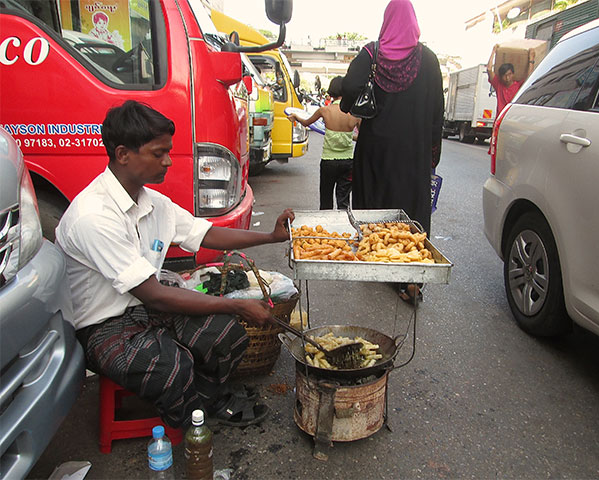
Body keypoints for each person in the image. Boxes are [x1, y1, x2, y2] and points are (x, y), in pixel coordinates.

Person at [55, 100, 294, 429]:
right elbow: (155, 295)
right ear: (123, 154)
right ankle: (190, 419)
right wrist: (237, 305)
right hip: (103, 326)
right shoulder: (94, 216)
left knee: (226, 334)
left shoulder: (151, 202)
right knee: (172, 363)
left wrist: (270, 237)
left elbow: (207, 234)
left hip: (143, 307)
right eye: (158, 153)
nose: (168, 161)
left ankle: (204, 401)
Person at [340, 0, 444, 304]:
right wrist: (432, 155)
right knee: (411, 209)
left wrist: (355, 107)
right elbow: (438, 112)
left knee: (374, 204)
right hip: (413, 153)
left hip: (375, 150)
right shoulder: (429, 60)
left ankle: (376, 260)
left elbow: (348, 89)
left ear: (387, 21)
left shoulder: (371, 53)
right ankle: (409, 278)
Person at [287, 76, 360, 210]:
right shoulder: (354, 113)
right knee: (343, 201)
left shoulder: (325, 111)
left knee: (326, 201)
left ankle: (326, 228)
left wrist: (296, 116)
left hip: (328, 162)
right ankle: (343, 228)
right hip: (348, 162)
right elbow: (361, 138)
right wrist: (348, 136)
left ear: (332, 90)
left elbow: (306, 122)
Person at [487, 44, 535, 116]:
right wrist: (493, 51)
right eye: (505, 76)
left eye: (509, 74)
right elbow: (489, 69)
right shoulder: (498, 85)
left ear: (513, 74)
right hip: (501, 119)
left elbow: (530, 77)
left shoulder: (519, 86)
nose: (507, 78)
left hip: (513, 118)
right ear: (501, 76)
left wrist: (531, 59)